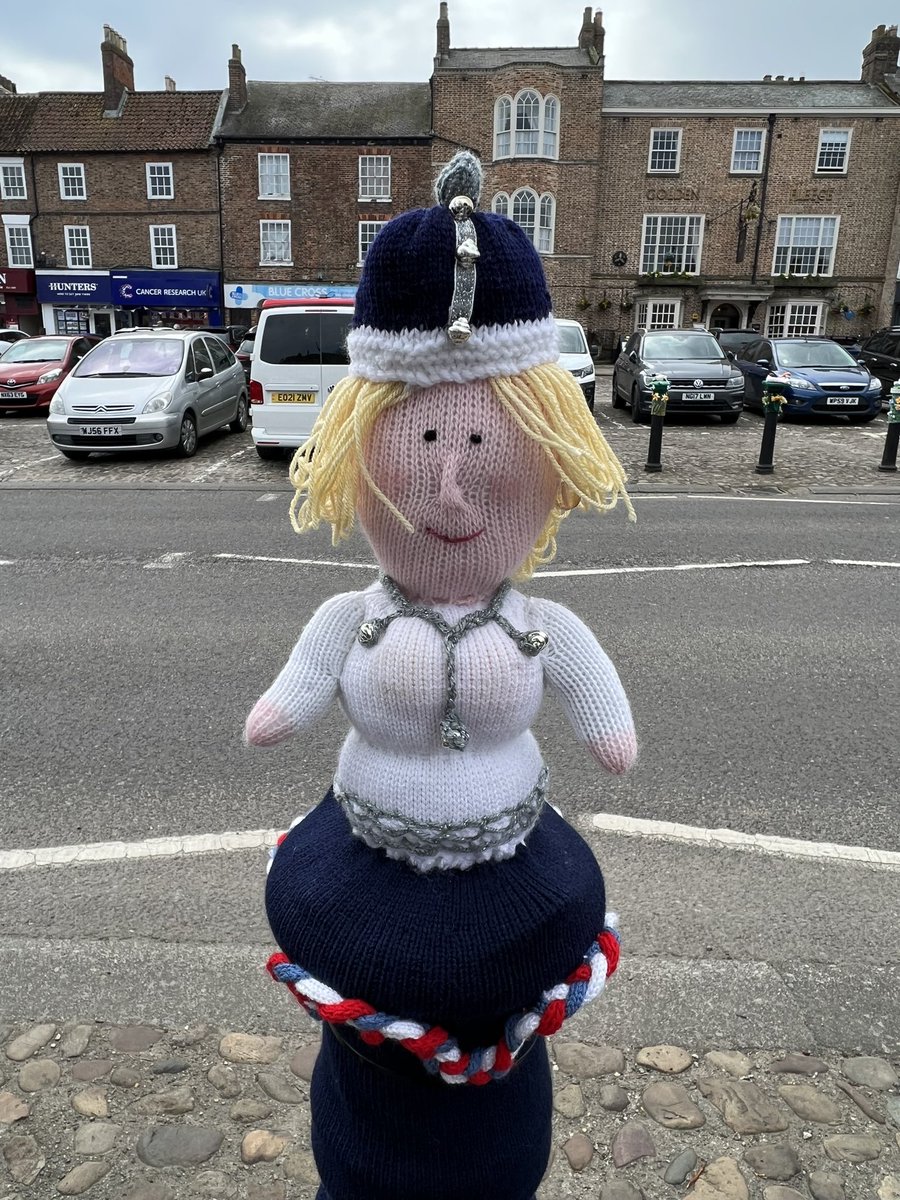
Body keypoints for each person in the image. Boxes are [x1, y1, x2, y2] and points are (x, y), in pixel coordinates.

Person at [246, 151, 637, 1200]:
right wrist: (285, 702)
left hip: (508, 843)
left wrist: (608, 724)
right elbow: (306, 675)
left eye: (480, 445)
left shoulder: (539, 624)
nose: (453, 488)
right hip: (371, 833)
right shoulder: (356, 617)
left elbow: (593, 692)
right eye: (422, 440)